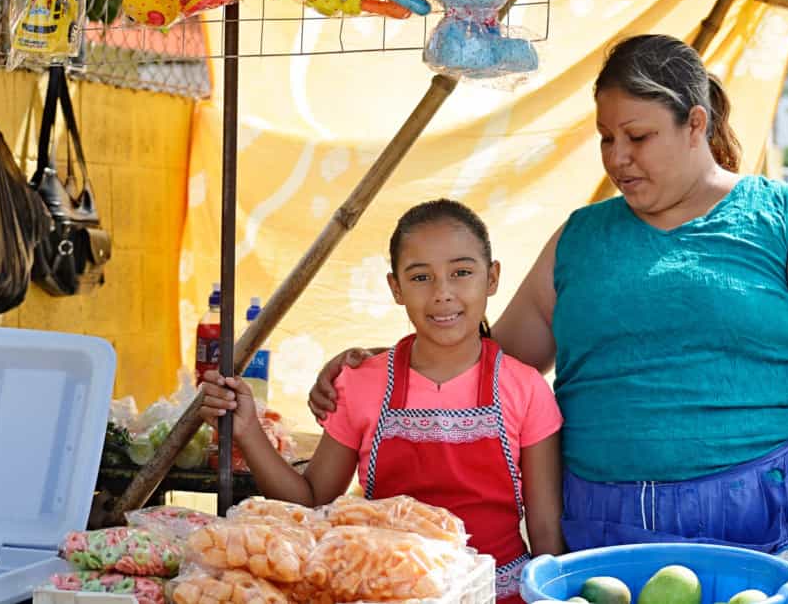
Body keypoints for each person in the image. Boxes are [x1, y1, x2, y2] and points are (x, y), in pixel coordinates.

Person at [309, 35, 788, 604]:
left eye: (638, 136)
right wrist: (377, 370)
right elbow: (490, 367)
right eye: (606, 138)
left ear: (695, 124)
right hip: (600, 528)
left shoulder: (784, 223)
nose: (617, 158)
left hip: (760, 516)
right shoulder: (580, 240)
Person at [199, 199, 565, 603]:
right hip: (386, 593)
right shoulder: (362, 383)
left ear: (492, 278)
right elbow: (310, 502)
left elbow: (546, 532)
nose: (443, 293)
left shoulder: (526, 389)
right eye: (421, 277)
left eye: (462, 272)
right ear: (395, 288)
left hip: (499, 594)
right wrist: (249, 432)